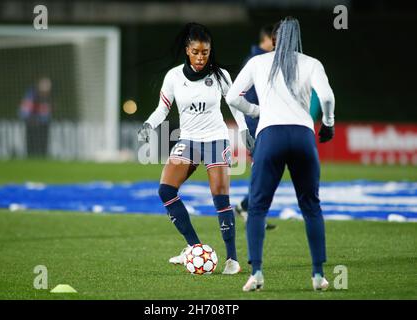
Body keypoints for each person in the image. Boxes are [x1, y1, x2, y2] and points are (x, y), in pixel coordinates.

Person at [138, 23, 259, 275]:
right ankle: (194, 248)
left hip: (216, 139)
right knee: (165, 190)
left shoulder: (220, 75)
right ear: (187, 50)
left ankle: (232, 259)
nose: (201, 57)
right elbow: (163, 108)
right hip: (189, 141)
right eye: (196, 52)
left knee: (220, 197)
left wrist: (245, 132)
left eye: (205, 51)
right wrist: (149, 124)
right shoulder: (173, 76)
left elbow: (235, 105)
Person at [226, 17, 335, 291]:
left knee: (259, 207)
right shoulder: (312, 63)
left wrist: (255, 112)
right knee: (311, 206)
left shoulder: (257, 62)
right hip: (302, 136)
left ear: (272, 41)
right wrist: (329, 124)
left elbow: (231, 97)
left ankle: (257, 273)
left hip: (270, 136)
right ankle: (318, 275)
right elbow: (327, 98)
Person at [234, 24, 278, 231]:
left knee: (267, 169)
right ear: (269, 39)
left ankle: (246, 207)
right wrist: (255, 116)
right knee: (264, 169)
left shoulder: (265, 60)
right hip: (256, 123)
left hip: (265, 122)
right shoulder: (256, 61)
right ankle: (251, 212)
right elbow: (237, 96)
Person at [19, 77, 52, 157]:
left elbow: (46, 113)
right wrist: (31, 119)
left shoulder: (47, 98)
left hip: (43, 125)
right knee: (32, 144)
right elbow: (24, 111)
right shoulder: (31, 95)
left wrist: (43, 120)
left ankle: (42, 156)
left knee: (43, 145)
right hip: (31, 124)